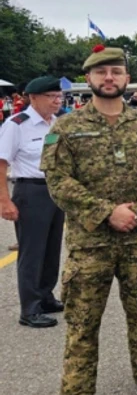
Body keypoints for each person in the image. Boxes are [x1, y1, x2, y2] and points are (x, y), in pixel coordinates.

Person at [41, 44, 137, 395]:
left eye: (116, 72)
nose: (108, 78)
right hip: (91, 244)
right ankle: (76, 390)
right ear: (88, 78)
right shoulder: (67, 127)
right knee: (83, 322)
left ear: (127, 78)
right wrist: (108, 212)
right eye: (101, 72)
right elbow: (58, 180)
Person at [0, 76, 65, 329]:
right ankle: (30, 308)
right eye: (51, 96)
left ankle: (46, 296)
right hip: (31, 191)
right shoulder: (17, 125)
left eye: (59, 96)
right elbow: (2, 163)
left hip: (55, 191)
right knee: (32, 253)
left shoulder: (57, 123)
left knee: (51, 250)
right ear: (33, 97)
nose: (57, 101)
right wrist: (4, 201)